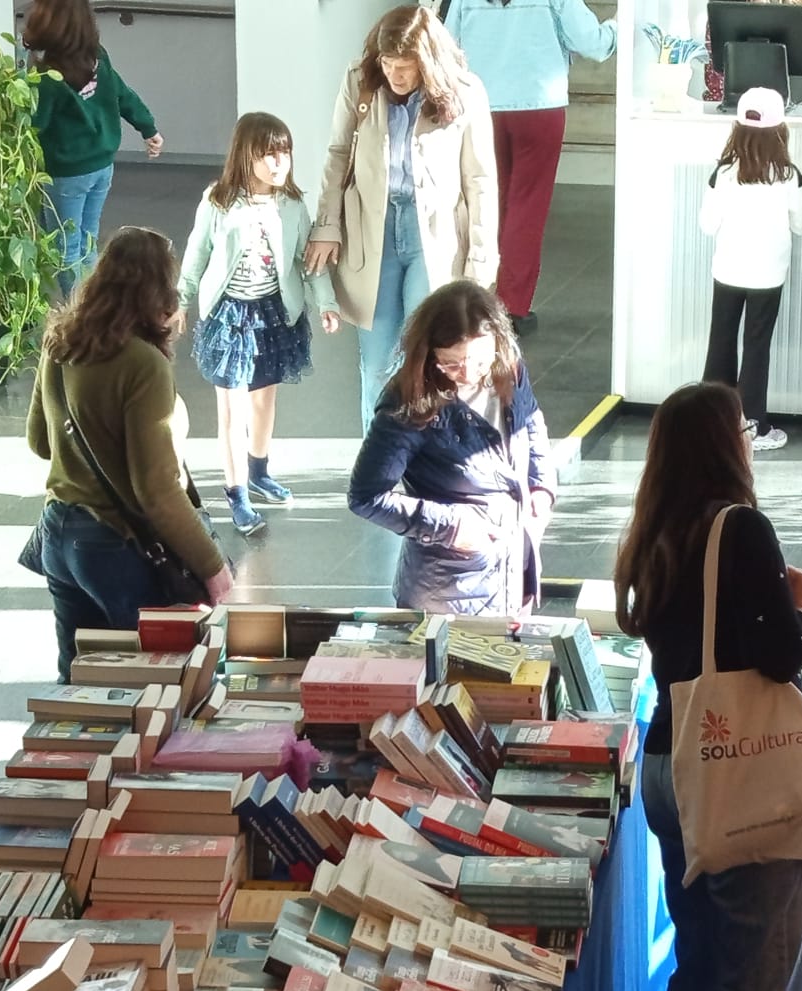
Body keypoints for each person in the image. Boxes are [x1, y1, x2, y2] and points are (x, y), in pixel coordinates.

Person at [613, 381, 802, 991]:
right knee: (759, 987)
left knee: (701, 966)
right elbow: (778, 652)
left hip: (671, 761)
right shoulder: (741, 530)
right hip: (741, 775)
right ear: (726, 444)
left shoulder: (656, 533)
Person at [27, 227, 233, 679]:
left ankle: (69, 751)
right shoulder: (143, 364)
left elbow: (40, 442)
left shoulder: (60, 341)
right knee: (157, 679)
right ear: (157, 294)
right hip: (112, 546)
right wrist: (214, 568)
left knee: (79, 680)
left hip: (58, 535)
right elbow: (156, 490)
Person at [307, 6, 500, 432]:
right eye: (388, 64)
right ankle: (376, 462)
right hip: (370, 231)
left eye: (405, 66)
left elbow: (481, 180)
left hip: (434, 236)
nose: (394, 74)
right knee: (376, 363)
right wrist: (326, 226)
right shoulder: (360, 80)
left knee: (430, 354)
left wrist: (481, 262)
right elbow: (337, 156)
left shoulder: (465, 92)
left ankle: (425, 461)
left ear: (427, 62)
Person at [178, 112, 339, 539]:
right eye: (267, 154)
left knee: (264, 401)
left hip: (273, 314)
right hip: (231, 315)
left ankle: (259, 470)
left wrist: (326, 303)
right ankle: (236, 494)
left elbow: (310, 262)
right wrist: (179, 300)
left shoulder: (292, 205)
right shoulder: (218, 200)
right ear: (244, 156)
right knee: (231, 410)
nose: (277, 162)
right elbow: (196, 254)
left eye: (283, 152)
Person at [347, 280, 551, 616]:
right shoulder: (408, 403)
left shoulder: (509, 366)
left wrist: (541, 487)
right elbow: (365, 496)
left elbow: (531, 421)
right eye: (452, 363)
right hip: (449, 589)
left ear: (498, 342)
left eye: (480, 361)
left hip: (513, 572)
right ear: (429, 354)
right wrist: (451, 526)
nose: (468, 373)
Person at [445, 0, 617, 334]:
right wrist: (618, 28)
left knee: (486, 202)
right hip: (539, 106)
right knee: (527, 208)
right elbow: (592, 43)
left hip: (481, 105)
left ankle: (479, 294)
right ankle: (511, 306)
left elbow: (447, 47)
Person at [23, 0, 165, 299]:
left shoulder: (47, 78)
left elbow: (34, 125)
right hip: (102, 167)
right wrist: (148, 128)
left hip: (65, 175)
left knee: (65, 247)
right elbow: (123, 95)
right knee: (86, 243)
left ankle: (79, 316)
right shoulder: (98, 58)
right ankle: (93, 306)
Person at [700, 86, 802, 453]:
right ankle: (753, 425)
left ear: (736, 129)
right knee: (756, 345)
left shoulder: (723, 173)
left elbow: (706, 224)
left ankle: (710, 420)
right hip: (769, 276)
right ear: (781, 130)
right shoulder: (789, 175)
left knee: (721, 341)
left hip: (728, 271)